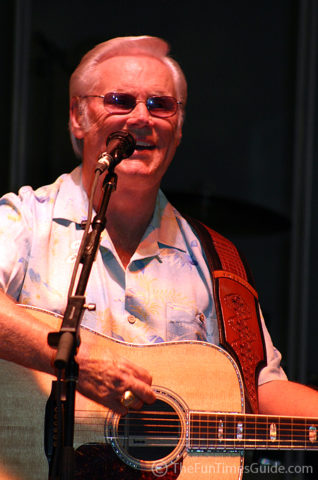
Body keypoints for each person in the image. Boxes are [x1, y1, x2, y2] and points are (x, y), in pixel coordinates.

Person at [0, 35, 317, 476]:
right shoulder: (23, 222)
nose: (141, 118)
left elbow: (258, 389)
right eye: (120, 100)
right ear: (77, 116)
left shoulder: (216, 261)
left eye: (160, 105)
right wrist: (78, 363)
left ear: (180, 127)